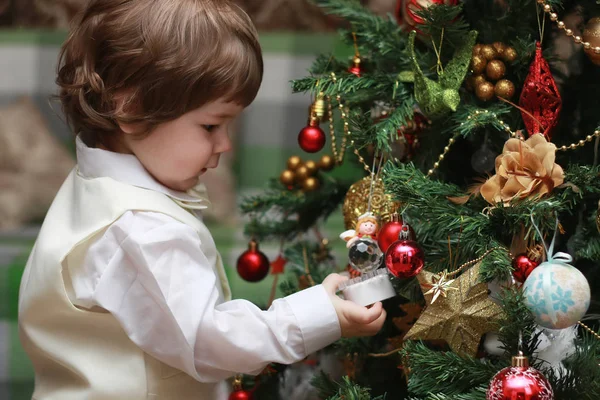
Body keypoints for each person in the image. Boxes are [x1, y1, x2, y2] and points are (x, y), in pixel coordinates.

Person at [17, 1, 387, 399]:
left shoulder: (94, 186)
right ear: (131, 107)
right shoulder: (142, 229)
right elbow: (210, 343)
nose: (224, 144)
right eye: (210, 125)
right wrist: (321, 315)